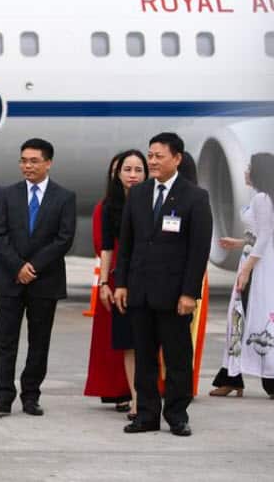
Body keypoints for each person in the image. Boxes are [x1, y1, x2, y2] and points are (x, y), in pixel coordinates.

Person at [114, 132, 212, 437]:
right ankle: (146, 415)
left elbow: (199, 251)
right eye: (151, 155)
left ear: (177, 158)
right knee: (144, 358)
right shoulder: (139, 194)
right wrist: (121, 284)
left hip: (174, 295)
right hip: (140, 292)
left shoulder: (195, 197)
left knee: (177, 358)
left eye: (159, 156)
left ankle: (177, 415)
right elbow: (127, 244)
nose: (153, 161)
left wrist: (189, 293)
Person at [0, 138, 76, 417]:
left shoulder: (64, 197)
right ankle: (3, 395)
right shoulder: (7, 194)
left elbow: (64, 238)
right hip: (10, 279)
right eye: (23, 161)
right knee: (5, 340)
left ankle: (31, 395)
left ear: (48, 163)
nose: (27, 166)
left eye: (34, 161)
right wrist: (18, 267)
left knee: (39, 341)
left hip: (45, 281)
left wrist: (34, 267)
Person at [211, 153, 274, 399]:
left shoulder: (263, 199)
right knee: (240, 318)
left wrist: (246, 270)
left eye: (250, 167)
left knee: (251, 319)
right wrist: (239, 242)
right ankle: (232, 377)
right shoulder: (263, 198)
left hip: (257, 267)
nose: (246, 171)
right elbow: (259, 236)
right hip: (255, 261)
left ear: (259, 171)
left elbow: (263, 239)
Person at [95, 150, 149, 420]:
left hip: (152, 280)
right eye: (127, 170)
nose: (133, 175)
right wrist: (104, 282)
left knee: (149, 343)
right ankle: (137, 400)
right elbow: (106, 248)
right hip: (122, 282)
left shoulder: (154, 201)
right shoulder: (110, 207)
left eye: (139, 170)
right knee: (129, 344)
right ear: (117, 174)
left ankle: (152, 397)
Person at [84, 154, 131, 413]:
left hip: (138, 276)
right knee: (111, 341)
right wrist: (105, 280)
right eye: (120, 170)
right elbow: (100, 244)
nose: (126, 175)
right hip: (113, 278)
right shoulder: (105, 207)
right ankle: (115, 388)